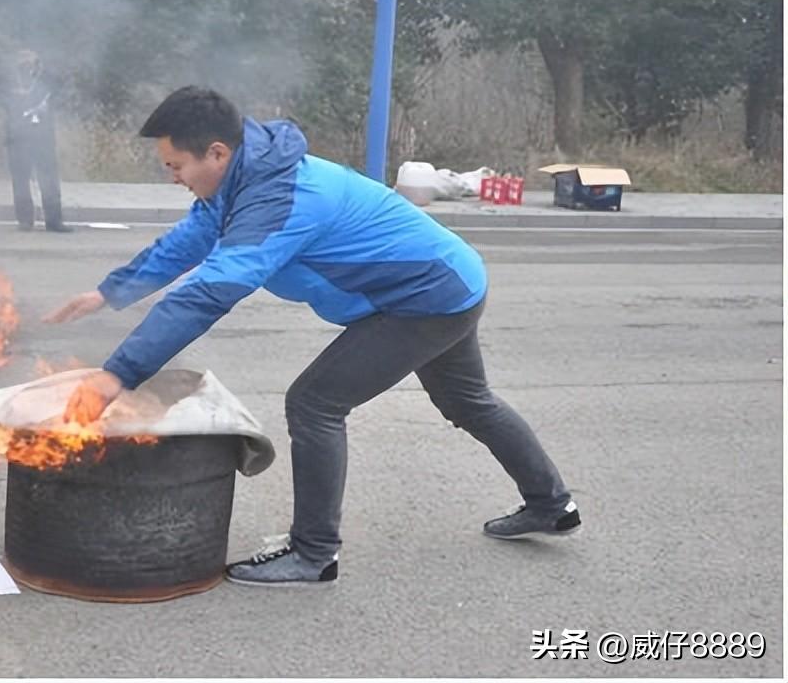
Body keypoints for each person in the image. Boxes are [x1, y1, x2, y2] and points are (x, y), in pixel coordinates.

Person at [43, 86, 578, 588]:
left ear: (216, 153)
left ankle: (314, 553)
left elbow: (207, 293)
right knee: (469, 401)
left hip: (425, 298)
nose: (172, 177)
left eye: (175, 166)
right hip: (449, 281)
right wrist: (110, 292)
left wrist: (118, 374)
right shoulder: (245, 180)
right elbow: (190, 240)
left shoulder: (281, 201)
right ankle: (552, 505)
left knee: (315, 403)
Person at [0, 48, 72, 232]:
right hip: (16, 136)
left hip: (43, 136)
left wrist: (48, 106)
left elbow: (61, 93)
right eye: (22, 56)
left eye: (30, 57)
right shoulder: (6, 77)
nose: (26, 60)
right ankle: (24, 220)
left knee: (49, 179)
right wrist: (13, 100)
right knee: (20, 181)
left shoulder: (47, 76)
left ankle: (54, 221)